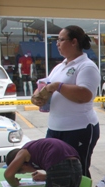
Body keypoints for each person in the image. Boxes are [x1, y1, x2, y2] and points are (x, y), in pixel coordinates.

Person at [30, 25, 100, 178]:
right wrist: (38, 95)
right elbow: (44, 84)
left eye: (61, 40)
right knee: (54, 166)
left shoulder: (87, 66)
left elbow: (84, 95)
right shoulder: (60, 66)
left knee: (77, 171)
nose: (57, 44)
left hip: (79, 129)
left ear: (74, 42)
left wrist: (58, 86)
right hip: (55, 128)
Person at [4, 138, 82, 187]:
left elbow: (8, 175)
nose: (27, 173)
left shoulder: (24, 152)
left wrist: (14, 183)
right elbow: (66, 170)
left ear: (22, 165)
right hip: (77, 166)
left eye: (23, 172)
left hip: (60, 166)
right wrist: (46, 177)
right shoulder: (36, 150)